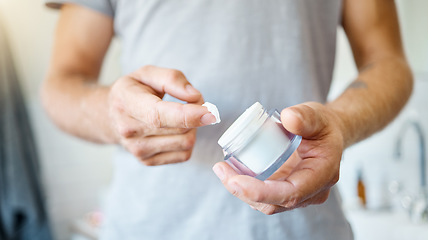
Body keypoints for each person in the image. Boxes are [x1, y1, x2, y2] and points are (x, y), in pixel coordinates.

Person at [42, 0, 412, 239]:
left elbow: (389, 63)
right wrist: (111, 113)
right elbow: (61, 83)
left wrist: (340, 122)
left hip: (307, 227)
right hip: (151, 226)